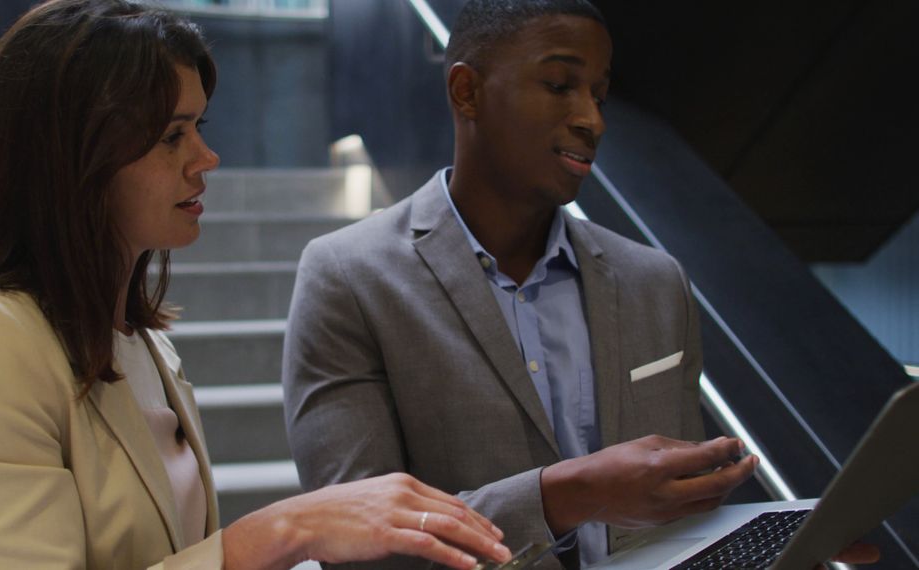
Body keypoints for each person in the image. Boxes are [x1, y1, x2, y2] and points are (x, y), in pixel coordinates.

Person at [0, 1, 515, 568]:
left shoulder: (144, 344)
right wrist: (284, 529)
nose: (206, 158)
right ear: (70, 158)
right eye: (171, 136)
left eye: (199, 127)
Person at [282, 1, 775, 568]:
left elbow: (684, 518)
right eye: (560, 84)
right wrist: (570, 494)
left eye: (600, 93)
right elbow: (358, 549)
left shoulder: (656, 282)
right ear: (467, 91)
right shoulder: (348, 276)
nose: (593, 119)